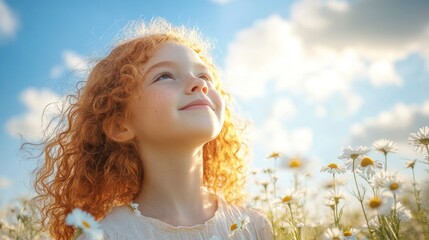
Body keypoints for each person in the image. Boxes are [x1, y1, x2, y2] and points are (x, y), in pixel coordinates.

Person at [32, 18, 273, 239]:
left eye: (205, 76)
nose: (199, 84)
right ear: (119, 125)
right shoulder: (106, 235)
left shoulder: (254, 227)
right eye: (165, 76)